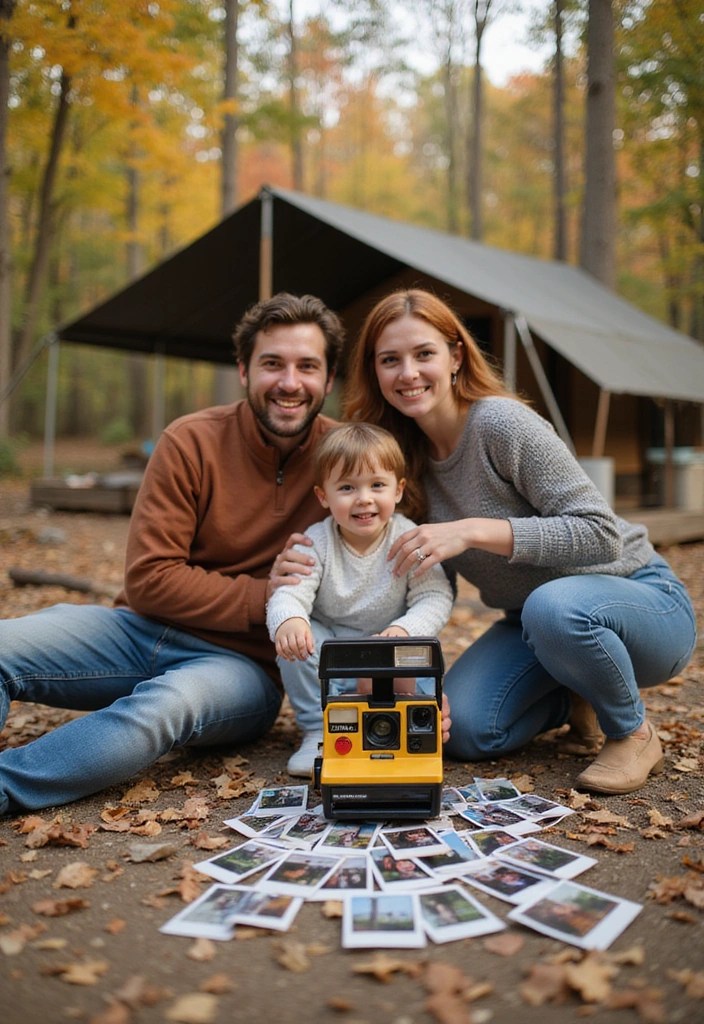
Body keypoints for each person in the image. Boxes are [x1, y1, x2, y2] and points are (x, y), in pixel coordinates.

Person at [337, 288, 696, 795]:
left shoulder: (500, 424)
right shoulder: (399, 460)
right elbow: (409, 575)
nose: (408, 373)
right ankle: (575, 695)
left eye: (424, 354)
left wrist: (473, 530)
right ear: (374, 371)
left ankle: (633, 732)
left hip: (642, 605)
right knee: (459, 731)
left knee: (554, 607)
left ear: (456, 355)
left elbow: (602, 533)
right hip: (532, 624)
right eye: (389, 360)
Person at [0, 292, 346, 816]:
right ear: (244, 371)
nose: (290, 382)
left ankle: (6, 787)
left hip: (243, 668)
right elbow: (149, 579)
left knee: (165, 708)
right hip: (137, 630)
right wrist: (269, 594)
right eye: (272, 363)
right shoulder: (190, 441)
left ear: (329, 378)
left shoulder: (349, 461)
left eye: (307, 366)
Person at [266, 422, 454, 776]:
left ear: (398, 490)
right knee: (296, 641)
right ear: (324, 496)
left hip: (392, 643)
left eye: (377, 485)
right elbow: (290, 589)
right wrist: (289, 618)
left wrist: (405, 629)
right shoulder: (316, 541)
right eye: (348, 487)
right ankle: (318, 730)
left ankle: (402, 731)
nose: (364, 498)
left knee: (423, 678)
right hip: (334, 649)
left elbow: (435, 595)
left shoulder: (408, 537)